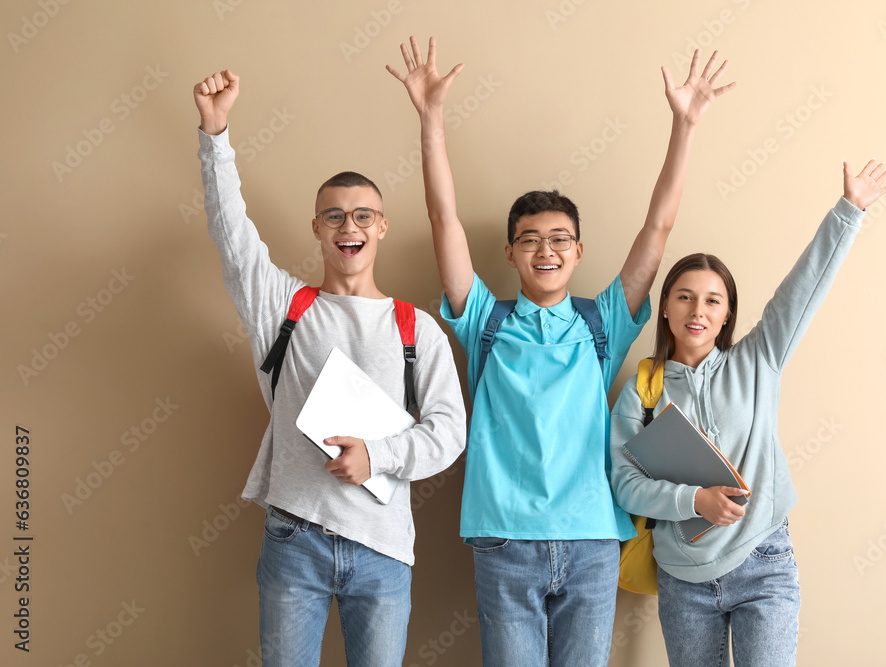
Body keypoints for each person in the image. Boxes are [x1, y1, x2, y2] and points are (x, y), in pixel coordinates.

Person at [388, 37, 734, 666]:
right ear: (510, 254)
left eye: (559, 239)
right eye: (529, 240)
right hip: (504, 543)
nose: (545, 251)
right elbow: (445, 220)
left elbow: (657, 228)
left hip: (593, 541)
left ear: (577, 251)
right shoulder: (483, 323)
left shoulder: (602, 325)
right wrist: (430, 120)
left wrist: (684, 127)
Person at [192, 68, 467, 667]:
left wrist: (379, 455)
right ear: (317, 228)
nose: (350, 227)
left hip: (385, 550)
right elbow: (232, 234)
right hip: (295, 540)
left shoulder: (415, 327)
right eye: (335, 216)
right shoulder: (285, 308)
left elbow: (449, 431)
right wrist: (216, 133)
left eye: (364, 215)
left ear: (383, 227)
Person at [610, 160, 886, 665]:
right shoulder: (642, 392)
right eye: (685, 297)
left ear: (726, 315)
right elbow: (624, 485)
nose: (698, 310)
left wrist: (848, 211)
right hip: (683, 580)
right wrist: (694, 500)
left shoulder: (758, 360)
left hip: (764, 562)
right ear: (668, 309)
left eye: (713, 300)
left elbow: (803, 290)